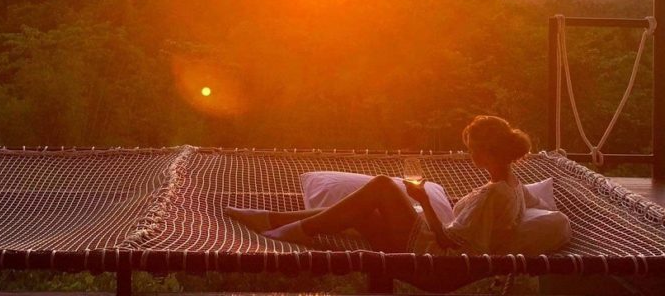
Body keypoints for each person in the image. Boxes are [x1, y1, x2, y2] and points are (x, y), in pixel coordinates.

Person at [225, 115, 538, 254]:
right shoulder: (511, 183)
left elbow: (452, 245)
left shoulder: (495, 192)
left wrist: (424, 202)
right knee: (361, 210)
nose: (469, 155)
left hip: (435, 258)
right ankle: (270, 219)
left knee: (383, 185)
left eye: (471, 149)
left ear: (485, 152)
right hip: (434, 244)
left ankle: (290, 230)